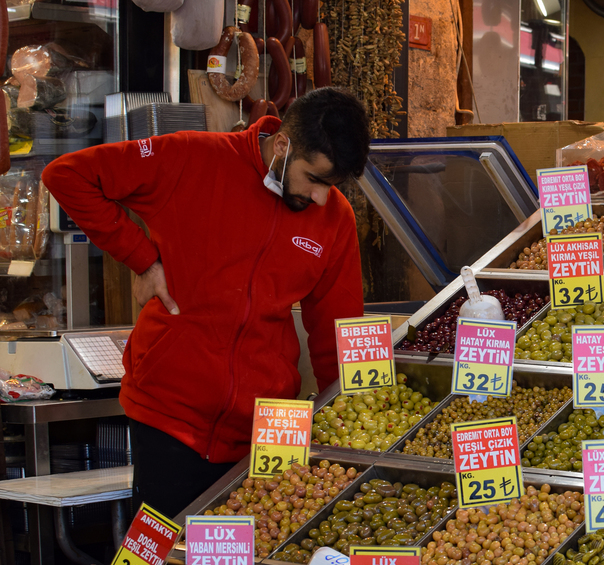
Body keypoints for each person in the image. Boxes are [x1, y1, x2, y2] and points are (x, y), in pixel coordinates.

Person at [42, 87, 371, 517]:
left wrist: (347, 423)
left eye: (333, 185)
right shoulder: (191, 156)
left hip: (266, 430)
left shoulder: (335, 218)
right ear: (285, 144)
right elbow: (68, 174)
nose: (322, 197)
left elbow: (338, 329)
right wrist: (143, 260)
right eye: (315, 178)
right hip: (169, 416)